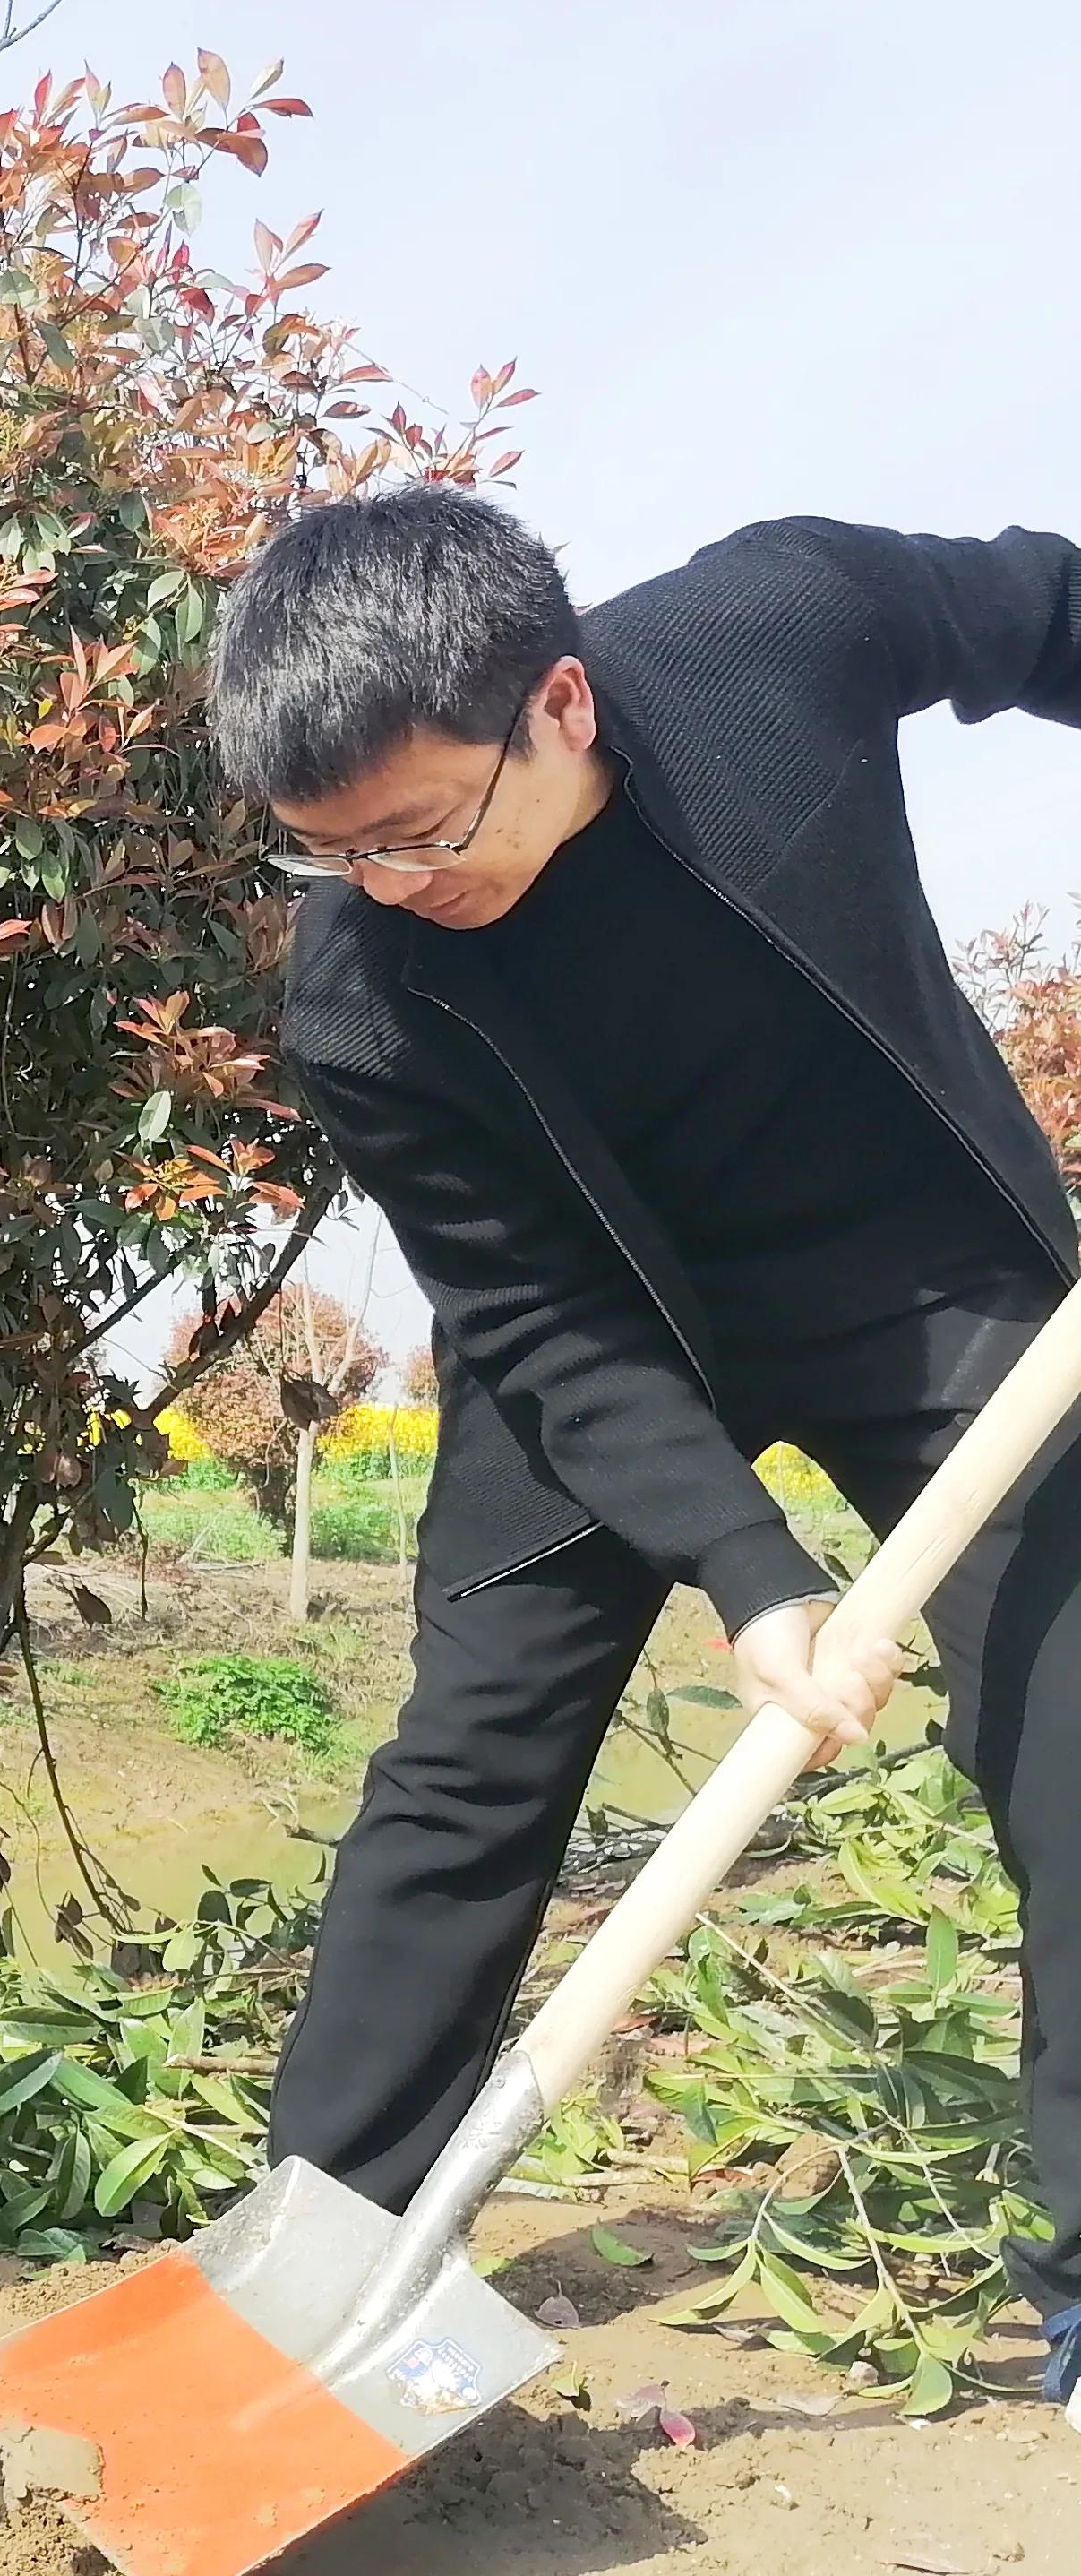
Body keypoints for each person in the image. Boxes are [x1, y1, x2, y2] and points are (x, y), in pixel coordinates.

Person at [212, 485, 1081, 2430]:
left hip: (906, 1271)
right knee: (462, 1774)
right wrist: (748, 1572)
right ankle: (315, 2278)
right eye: (327, 850)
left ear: (564, 708)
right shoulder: (357, 985)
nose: (391, 880)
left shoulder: (783, 624)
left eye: (427, 824)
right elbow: (528, 1315)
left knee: (1078, 1721)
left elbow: (1038, 611)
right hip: (604, 1327)